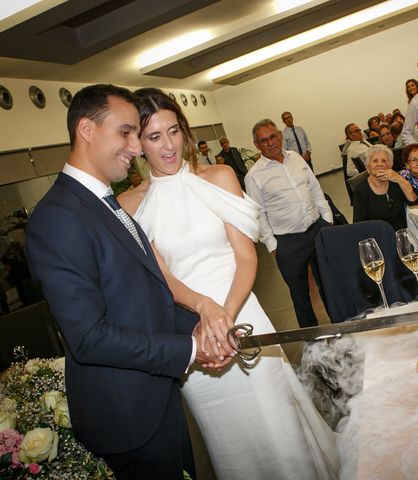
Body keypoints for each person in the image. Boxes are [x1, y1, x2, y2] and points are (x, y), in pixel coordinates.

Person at [119, 91, 338, 479]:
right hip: (193, 333)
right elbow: (163, 279)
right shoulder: (131, 205)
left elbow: (246, 256)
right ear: (137, 142)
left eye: (173, 131)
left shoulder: (219, 176)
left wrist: (225, 315)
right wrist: (207, 313)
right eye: (154, 137)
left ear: (184, 131)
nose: (168, 145)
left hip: (242, 311)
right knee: (232, 443)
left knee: (278, 424)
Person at [25, 84, 207, 480]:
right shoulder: (58, 218)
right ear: (87, 130)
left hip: (155, 396)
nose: (137, 147)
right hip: (128, 416)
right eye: (126, 132)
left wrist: (202, 331)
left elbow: (144, 298)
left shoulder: (105, 202)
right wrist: (189, 350)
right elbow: (88, 337)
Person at [245, 119, 333, 329]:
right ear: (257, 145)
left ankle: (340, 324)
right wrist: (273, 246)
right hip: (288, 243)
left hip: (317, 230)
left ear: (280, 135)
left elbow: (314, 189)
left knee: (329, 284)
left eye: (273, 136)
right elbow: (259, 215)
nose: (270, 143)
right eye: (263, 140)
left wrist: (327, 219)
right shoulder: (254, 176)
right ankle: (312, 340)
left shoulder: (296, 159)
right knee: (300, 295)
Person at [353, 145, 418, 231]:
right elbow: (358, 225)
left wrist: (400, 179)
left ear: (390, 165)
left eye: (384, 161)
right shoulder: (361, 190)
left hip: (403, 233)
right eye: (375, 161)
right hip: (378, 236)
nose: (380, 164)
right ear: (367, 167)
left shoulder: (396, 181)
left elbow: (414, 201)